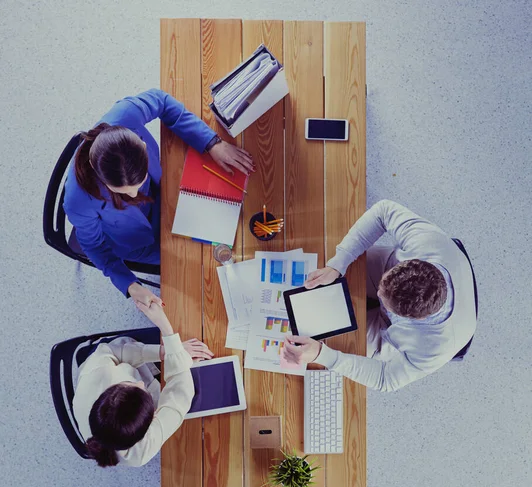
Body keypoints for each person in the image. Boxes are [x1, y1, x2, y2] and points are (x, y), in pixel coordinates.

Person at [64, 88, 254, 307]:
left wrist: (212, 143)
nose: (134, 195)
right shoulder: (78, 202)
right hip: (139, 241)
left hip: (165, 196)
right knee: (200, 265)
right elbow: (96, 248)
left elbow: (161, 101)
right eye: (123, 192)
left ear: (142, 146)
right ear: (100, 177)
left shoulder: (126, 115)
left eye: (138, 182)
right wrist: (130, 285)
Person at [281, 200, 477, 392]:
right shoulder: (427, 243)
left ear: (415, 318)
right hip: (388, 268)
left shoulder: (434, 347)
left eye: (384, 301)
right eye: (382, 288)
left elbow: (386, 379)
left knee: (338, 345)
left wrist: (323, 355)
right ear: (411, 262)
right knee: (332, 266)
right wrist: (337, 264)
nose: (376, 295)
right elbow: (383, 210)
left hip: (392, 330)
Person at [73, 302, 213, 467]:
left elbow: (116, 351)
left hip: (126, 351)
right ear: (151, 420)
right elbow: (180, 395)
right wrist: (168, 333)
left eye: (127, 383)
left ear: (108, 392)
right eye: (143, 390)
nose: (140, 382)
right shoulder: (140, 453)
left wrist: (166, 351)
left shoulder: (99, 371)